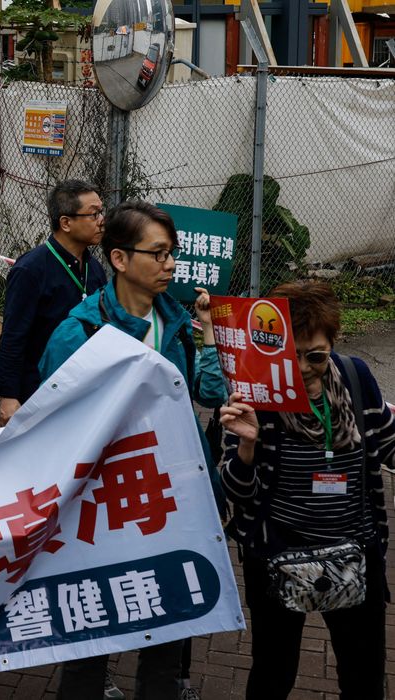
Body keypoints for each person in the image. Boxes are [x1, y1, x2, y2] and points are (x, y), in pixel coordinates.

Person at [38, 200, 227, 700]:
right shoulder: (78, 333)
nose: (170, 265)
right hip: (103, 510)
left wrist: (208, 334)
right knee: (90, 638)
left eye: (173, 255)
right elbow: (53, 427)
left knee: (166, 639)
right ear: (119, 259)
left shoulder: (179, 323)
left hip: (172, 503)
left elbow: (208, 394)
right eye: (159, 254)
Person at [219, 280, 395, 699]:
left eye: (315, 355)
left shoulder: (355, 377)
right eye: (290, 354)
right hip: (277, 554)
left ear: (332, 342)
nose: (302, 367)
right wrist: (246, 444)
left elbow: (388, 443)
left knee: (364, 674)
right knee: (273, 672)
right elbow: (236, 491)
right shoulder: (256, 392)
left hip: (354, 551)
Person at [0, 180, 107, 426]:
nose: (102, 220)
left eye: (101, 211)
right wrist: (9, 396)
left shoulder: (95, 269)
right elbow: (13, 336)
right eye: (93, 213)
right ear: (66, 223)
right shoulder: (30, 269)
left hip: (83, 388)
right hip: (38, 389)